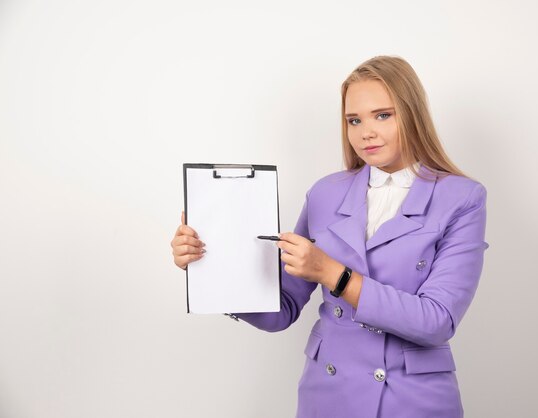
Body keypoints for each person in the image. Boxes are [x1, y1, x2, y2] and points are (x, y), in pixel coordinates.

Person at [170, 55, 489, 418]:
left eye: (383, 115)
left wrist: (334, 274)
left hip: (414, 401)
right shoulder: (324, 194)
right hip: (329, 397)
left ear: (412, 114)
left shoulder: (462, 197)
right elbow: (283, 309)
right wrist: (209, 264)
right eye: (354, 120)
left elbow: (436, 321)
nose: (365, 132)